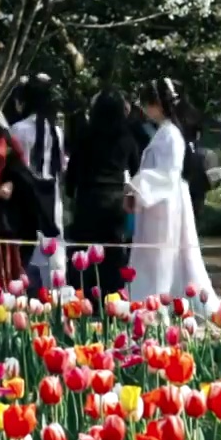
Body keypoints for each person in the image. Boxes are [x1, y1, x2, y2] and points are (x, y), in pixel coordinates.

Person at [125, 78, 216, 306]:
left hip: (165, 204)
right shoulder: (166, 132)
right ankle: (157, 301)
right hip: (160, 202)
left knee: (161, 258)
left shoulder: (170, 134)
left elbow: (168, 173)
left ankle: (158, 302)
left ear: (157, 103)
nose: (145, 109)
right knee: (159, 257)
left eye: (148, 103)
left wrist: (136, 186)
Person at [65, 90, 141, 300]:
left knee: (83, 253)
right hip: (115, 200)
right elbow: (137, 170)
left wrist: (71, 196)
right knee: (113, 255)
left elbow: (72, 171)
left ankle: (84, 298)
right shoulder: (126, 137)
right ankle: (112, 299)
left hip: (88, 199)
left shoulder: (85, 136)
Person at [9, 79, 67, 287]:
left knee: (25, 253)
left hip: (26, 198)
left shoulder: (18, 130)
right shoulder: (56, 131)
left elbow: (15, 165)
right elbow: (61, 166)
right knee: (54, 256)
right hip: (52, 198)